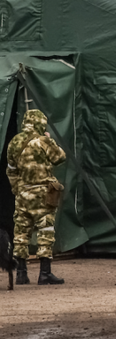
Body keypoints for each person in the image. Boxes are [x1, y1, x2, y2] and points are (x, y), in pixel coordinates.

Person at [6, 109, 66, 285]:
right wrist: (49, 139)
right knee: (45, 231)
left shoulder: (14, 142)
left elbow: (11, 170)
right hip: (42, 194)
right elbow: (60, 157)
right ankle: (45, 273)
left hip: (23, 194)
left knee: (21, 234)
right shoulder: (43, 141)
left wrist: (18, 189)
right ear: (40, 123)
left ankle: (21, 274)